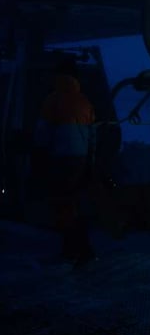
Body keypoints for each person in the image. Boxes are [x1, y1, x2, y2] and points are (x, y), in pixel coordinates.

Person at [32, 55, 97, 267]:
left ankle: (76, 250)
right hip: (81, 160)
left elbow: (42, 134)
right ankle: (80, 249)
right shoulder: (84, 101)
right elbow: (93, 135)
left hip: (60, 159)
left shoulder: (52, 100)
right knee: (75, 203)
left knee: (63, 205)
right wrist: (90, 161)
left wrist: (38, 157)